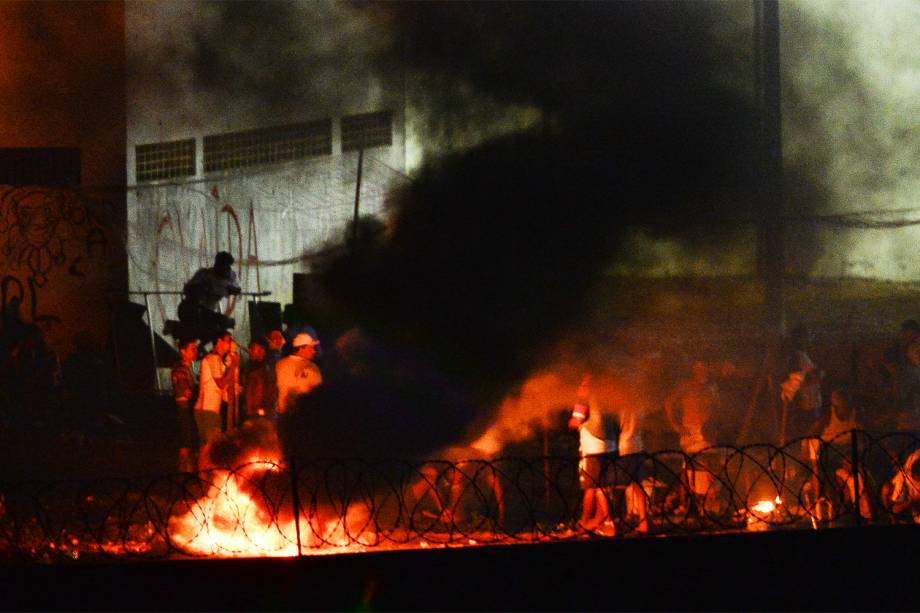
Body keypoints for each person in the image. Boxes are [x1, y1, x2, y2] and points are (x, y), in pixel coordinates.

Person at [568, 374, 618, 535]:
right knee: (601, 486)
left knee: (590, 485)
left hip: (592, 445)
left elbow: (576, 420)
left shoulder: (584, 398)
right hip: (609, 445)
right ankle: (599, 522)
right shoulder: (608, 397)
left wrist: (571, 423)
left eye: (583, 383)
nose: (581, 386)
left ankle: (595, 522)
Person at [177, 251, 241, 338]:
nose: (220, 268)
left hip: (207, 312)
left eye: (224, 266)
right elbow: (187, 289)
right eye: (219, 264)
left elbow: (237, 295)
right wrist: (203, 288)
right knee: (223, 322)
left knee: (226, 323)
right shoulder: (204, 274)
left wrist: (233, 292)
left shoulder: (230, 277)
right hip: (192, 310)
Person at [195, 331, 239, 445]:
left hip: (211, 409)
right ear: (219, 341)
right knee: (210, 446)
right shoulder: (213, 358)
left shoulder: (218, 360)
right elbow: (221, 384)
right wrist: (234, 364)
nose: (230, 344)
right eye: (228, 341)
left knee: (207, 447)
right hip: (207, 409)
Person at [780, 325, 823, 442]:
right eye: (806, 337)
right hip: (808, 401)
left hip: (811, 399)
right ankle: (810, 457)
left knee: (809, 432)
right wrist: (817, 374)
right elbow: (806, 376)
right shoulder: (799, 356)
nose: (808, 340)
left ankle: (809, 455)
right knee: (810, 432)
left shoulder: (802, 355)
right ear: (799, 339)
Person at [275, 331, 323, 414]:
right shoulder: (311, 367)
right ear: (301, 349)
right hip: (303, 413)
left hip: (285, 414)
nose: (313, 351)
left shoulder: (280, 364)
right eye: (310, 348)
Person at [171, 338, 200, 472]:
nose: (195, 352)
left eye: (195, 348)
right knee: (186, 441)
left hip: (187, 409)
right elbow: (187, 393)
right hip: (184, 409)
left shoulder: (188, 368)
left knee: (188, 440)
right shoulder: (181, 369)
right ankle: (184, 471)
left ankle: (188, 471)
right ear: (183, 351)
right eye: (192, 349)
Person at [243, 338, 274, 421]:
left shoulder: (266, 370)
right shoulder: (248, 368)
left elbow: (269, 391)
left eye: (253, 348)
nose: (250, 351)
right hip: (252, 412)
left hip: (261, 412)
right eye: (251, 348)